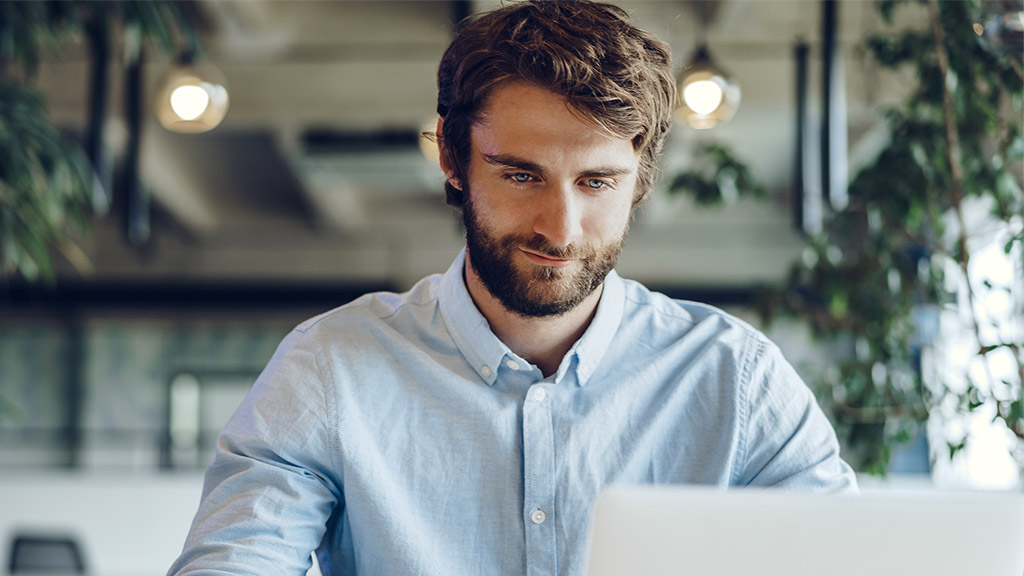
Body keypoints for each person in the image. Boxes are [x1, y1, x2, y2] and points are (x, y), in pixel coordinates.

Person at [168, 1, 857, 575]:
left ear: (640, 176)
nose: (560, 229)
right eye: (521, 175)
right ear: (452, 156)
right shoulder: (331, 368)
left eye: (597, 182)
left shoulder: (737, 378)